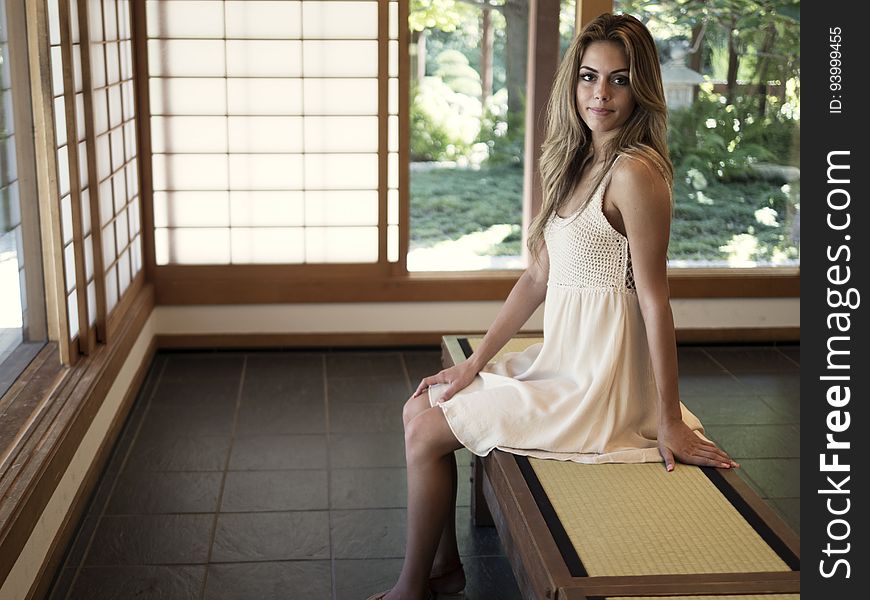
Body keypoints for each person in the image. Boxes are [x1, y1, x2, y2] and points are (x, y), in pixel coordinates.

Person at [367, 12, 737, 600]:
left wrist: (666, 417)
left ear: (641, 88)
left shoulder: (636, 174)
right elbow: (538, 275)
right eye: (590, 76)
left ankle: (413, 586)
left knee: (426, 432)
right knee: (425, 405)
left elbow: (657, 301)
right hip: (562, 362)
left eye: (619, 80)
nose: (601, 93)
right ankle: (442, 570)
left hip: (599, 385)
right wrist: (474, 364)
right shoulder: (574, 161)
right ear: (574, 81)